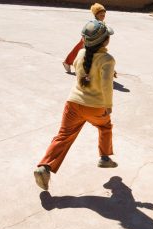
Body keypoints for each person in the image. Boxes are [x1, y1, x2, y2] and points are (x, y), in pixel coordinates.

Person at [34, 20, 117, 191]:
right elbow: (107, 85)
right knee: (105, 126)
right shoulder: (108, 59)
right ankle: (104, 157)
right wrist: (108, 105)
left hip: (73, 103)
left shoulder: (80, 54)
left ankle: (44, 167)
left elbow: (87, 71)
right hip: (95, 106)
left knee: (63, 136)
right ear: (105, 41)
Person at [62, 3, 107, 73]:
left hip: (94, 41)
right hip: (87, 40)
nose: (103, 16)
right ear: (96, 15)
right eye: (101, 15)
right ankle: (67, 62)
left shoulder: (101, 22)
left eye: (104, 15)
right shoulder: (92, 23)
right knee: (79, 52)